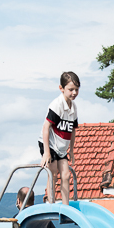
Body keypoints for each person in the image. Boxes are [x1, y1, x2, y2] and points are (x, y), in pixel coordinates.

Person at [39, 71, 80, 203]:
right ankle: (50, 202)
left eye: (76, 90)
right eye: (71, 89)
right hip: (49, 144)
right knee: (53, 174)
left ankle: (65, 205)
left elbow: (73, 131)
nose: (74, 93)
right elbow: (46, 127)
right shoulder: (57, 105)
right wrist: (46, 152)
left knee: (66, 175)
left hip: (61, 147)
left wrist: (72, 151)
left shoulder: (73, 107)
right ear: (61, 88)